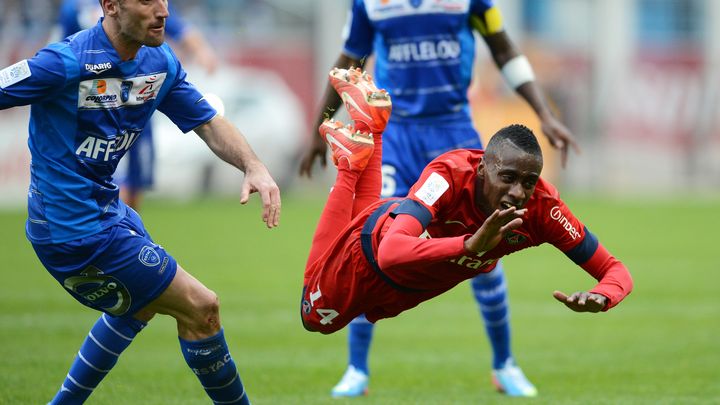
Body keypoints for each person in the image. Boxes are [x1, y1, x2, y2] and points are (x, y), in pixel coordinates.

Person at [0, 0, 281, 403]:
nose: (163, 10)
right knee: (203, 308)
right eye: (147, 0)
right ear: (111, 5)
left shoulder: (158, 62)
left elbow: (208, 121)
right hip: (72, 229)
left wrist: (253, 165)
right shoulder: (64, 62)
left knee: (138, 307)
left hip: (108, 213)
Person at [299, 0, 581, 398]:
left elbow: (503, 48)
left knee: (486, 251)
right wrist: (318, 128)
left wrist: (543, 113)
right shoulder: (370, 3)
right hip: (396, 135)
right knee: (369, 246)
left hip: (454, 134)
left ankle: (504, 364)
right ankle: (356, 369)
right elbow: (349, 61)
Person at [57, 0, 219, 210]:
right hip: (94, 105)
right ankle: (104, 226)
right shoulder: (73, 7)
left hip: (136, 101)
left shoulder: (146, 5)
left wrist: (202, 51)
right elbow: (62, 49)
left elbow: (179, 27)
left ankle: (124, 228)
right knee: (92, 176)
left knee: (136, 182)